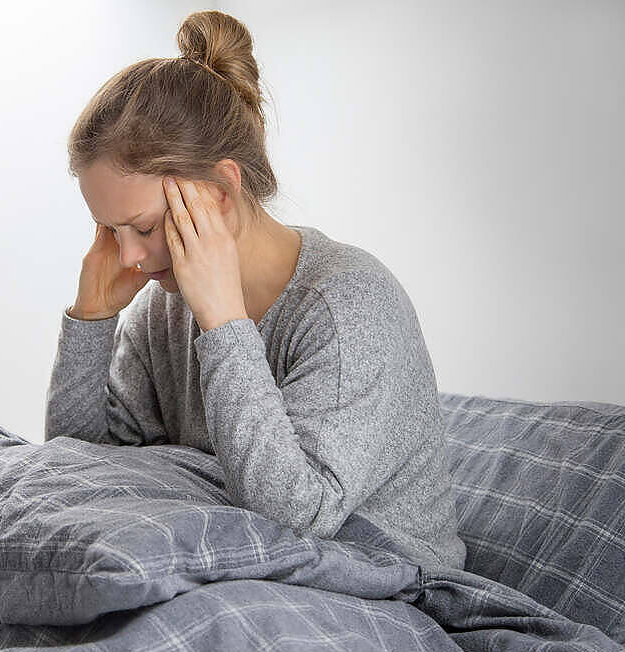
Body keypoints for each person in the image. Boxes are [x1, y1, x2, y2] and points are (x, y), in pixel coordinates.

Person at [45, 10, 466, 571]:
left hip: (378, 583)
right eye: (109, 232)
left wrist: (223, 323)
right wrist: (92, 319)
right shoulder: (161, 311)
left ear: (220, 192)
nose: (129, 259)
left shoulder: (351, 306)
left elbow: (297, 518)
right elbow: (80, 478)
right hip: (242, 572)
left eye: (143, 228)